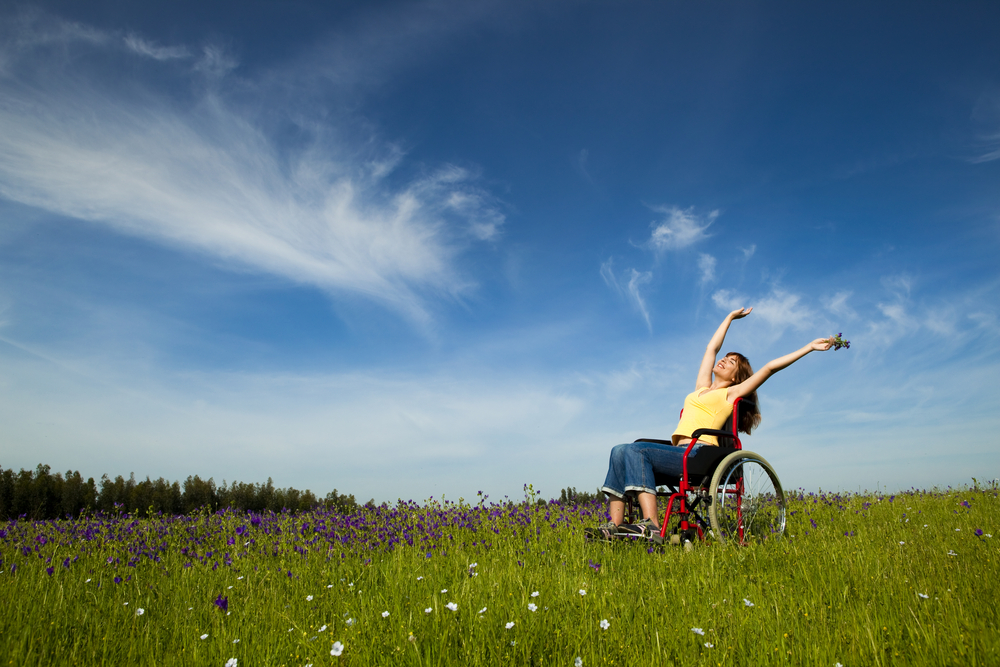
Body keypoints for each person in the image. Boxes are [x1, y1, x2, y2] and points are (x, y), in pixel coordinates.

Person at [587, 307, 834, 540]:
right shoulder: (701, 388)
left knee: (634, 450)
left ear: (737, 377)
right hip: (677, 452)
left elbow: (769, 368)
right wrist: (729, 317)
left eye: (732, 362)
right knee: (619, 450)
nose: (724, 360)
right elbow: (711, 348)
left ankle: (651, 525)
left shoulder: (731, 394)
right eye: (726, 357)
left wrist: (809, 347)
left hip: (698, 454)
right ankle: (616, 527)